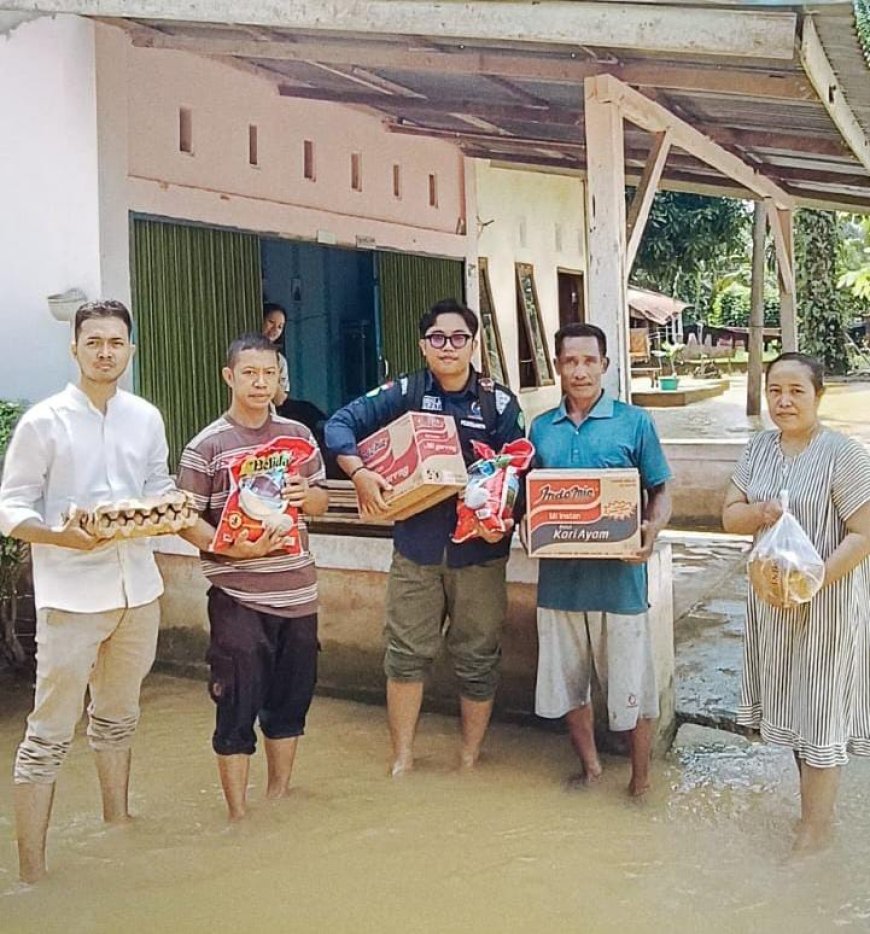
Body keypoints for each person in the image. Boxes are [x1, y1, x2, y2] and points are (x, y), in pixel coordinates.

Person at [0, 300, 174, 884]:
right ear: (73, 348)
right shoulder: (44, 421)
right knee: (49, 731)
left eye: (116, 342)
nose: (105, 352)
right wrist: (60, 537)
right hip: (70, 597)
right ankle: (32, 873)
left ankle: (118, 826)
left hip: (138, 591)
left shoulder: (145, 417)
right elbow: (10, 508)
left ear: (131, 350)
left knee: (119, 716)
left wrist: (177, 512)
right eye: (93, 341)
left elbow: (157, 488)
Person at [324, 298, 525, 775]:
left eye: (459, 338)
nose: (448, 346)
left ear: (474, 344)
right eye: (438, 338)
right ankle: (403, 758)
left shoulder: (499, 403)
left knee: (478, 658)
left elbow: (519, 468)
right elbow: (338, 425)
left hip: (480, 555)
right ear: (423, 344)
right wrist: (359, 473)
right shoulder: (406, 391)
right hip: (415, 550)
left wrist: (498, 492)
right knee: (405, 656)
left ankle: (469, 758)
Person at [722, 352, 870, 853]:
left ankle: (814, 833)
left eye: (795, 391)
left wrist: (814, 578)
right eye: (774, 392)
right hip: (771, 606)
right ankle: (812, 813)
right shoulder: (758, 449)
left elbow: (864, 532)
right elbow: (729, 516)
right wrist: (761, 511)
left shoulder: (843, 454)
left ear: (818, 396)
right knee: (792, 705)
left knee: (823, 712)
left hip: (827, 605)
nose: (783, 402)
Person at [177, 333, 328, 821]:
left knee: (290, 706)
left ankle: (279, 796)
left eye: (269, 374)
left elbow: (321, 501)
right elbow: (185, 518)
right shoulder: (206, 446)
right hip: (238, 596)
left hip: (298, 593)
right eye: (250, 373)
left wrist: (307, 494)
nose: (261, 383)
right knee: (236, 705)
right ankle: (238, 817)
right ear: (229, 377)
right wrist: (227, 545)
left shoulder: (299, 437)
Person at [528, 322, 672, 796]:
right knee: (570, 687)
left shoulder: (635, 422)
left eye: (590, 361)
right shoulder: (540, 429)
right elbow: (530, 498)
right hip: (560, 584)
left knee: (634, 688)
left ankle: (640, 782)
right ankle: (590, 769)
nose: (580, 370)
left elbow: (661, 491)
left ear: (605, 366)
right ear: (557, 367)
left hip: (621, 584)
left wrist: (651, 531)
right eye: (570, 361)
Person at [262, 301, 290, 409]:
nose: (274, 330)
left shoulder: (280, 360)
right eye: (271, 322)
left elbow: (279, 400)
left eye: (280, 327)